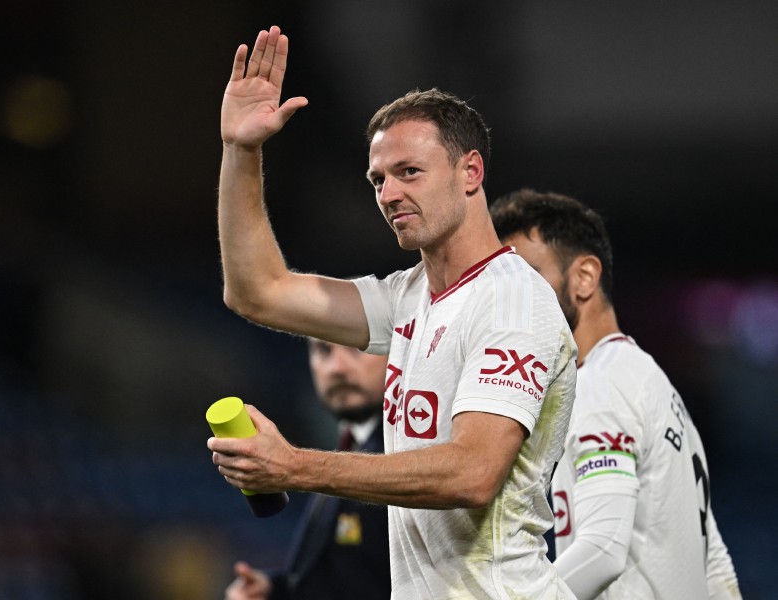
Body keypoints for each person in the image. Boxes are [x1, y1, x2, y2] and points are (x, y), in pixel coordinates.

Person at [210, 25, 577, 599]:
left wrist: (293, 467)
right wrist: (241, 148)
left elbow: (472, 473)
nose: (388, 194)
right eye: (378, 179)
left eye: (410, 172)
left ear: (471, 172)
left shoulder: (512, 301)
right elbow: (256, 291)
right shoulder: (408, 297)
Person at [490, 189, 742, 599]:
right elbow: (714, 563)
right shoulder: (651, 383)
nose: (511, 298)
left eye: (527, 275)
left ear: (584, 278)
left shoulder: (602, 381)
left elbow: (603, 549)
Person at [225, 340, 391, 600]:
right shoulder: (348, 445)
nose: (337, 367)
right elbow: (354, 578)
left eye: (357, 348)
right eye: (323, 351)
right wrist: (274, 590)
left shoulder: (410, 456)